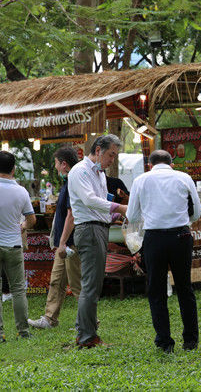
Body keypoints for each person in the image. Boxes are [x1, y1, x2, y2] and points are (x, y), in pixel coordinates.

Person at [126, 150, 201, 353]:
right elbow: (196, 212)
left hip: (155, 238)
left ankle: (164, 341)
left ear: (149, 165)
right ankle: (191, 340)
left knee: (157, 290)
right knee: (185, 288)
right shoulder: (184, 178)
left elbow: (132, 215)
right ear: (172, 164)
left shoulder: (141, 180)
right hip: (181, 237)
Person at [68, 135, 127, 349]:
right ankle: (86, 337)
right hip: (89, 229)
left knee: (93, 284)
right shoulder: (80, 171)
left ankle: (84, 331)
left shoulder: (100, 174)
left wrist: (115, 216)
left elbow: (99, 206)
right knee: (91, 286)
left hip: (98, 228)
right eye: (111, 154)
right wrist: (120, 209)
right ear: (99, 150)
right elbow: (90, 201)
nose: (112, 160)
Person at [0, 152, 37, 343]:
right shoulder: (21, 191)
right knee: (18, 289)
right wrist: (23, 227)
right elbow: (31, 219)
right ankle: (23, 332)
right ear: (13, 169)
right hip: (13, 244)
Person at [28, 147, 82, 330]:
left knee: (77, 285)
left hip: (70, 243)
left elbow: (72, 215)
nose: (56, 167)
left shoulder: (73, 182)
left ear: (64, 164)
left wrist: (63, 242)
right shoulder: (67, 183)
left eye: (57, 164)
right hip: (63, 244)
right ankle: (50, 318)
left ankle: (88, 320)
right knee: (56, 281)